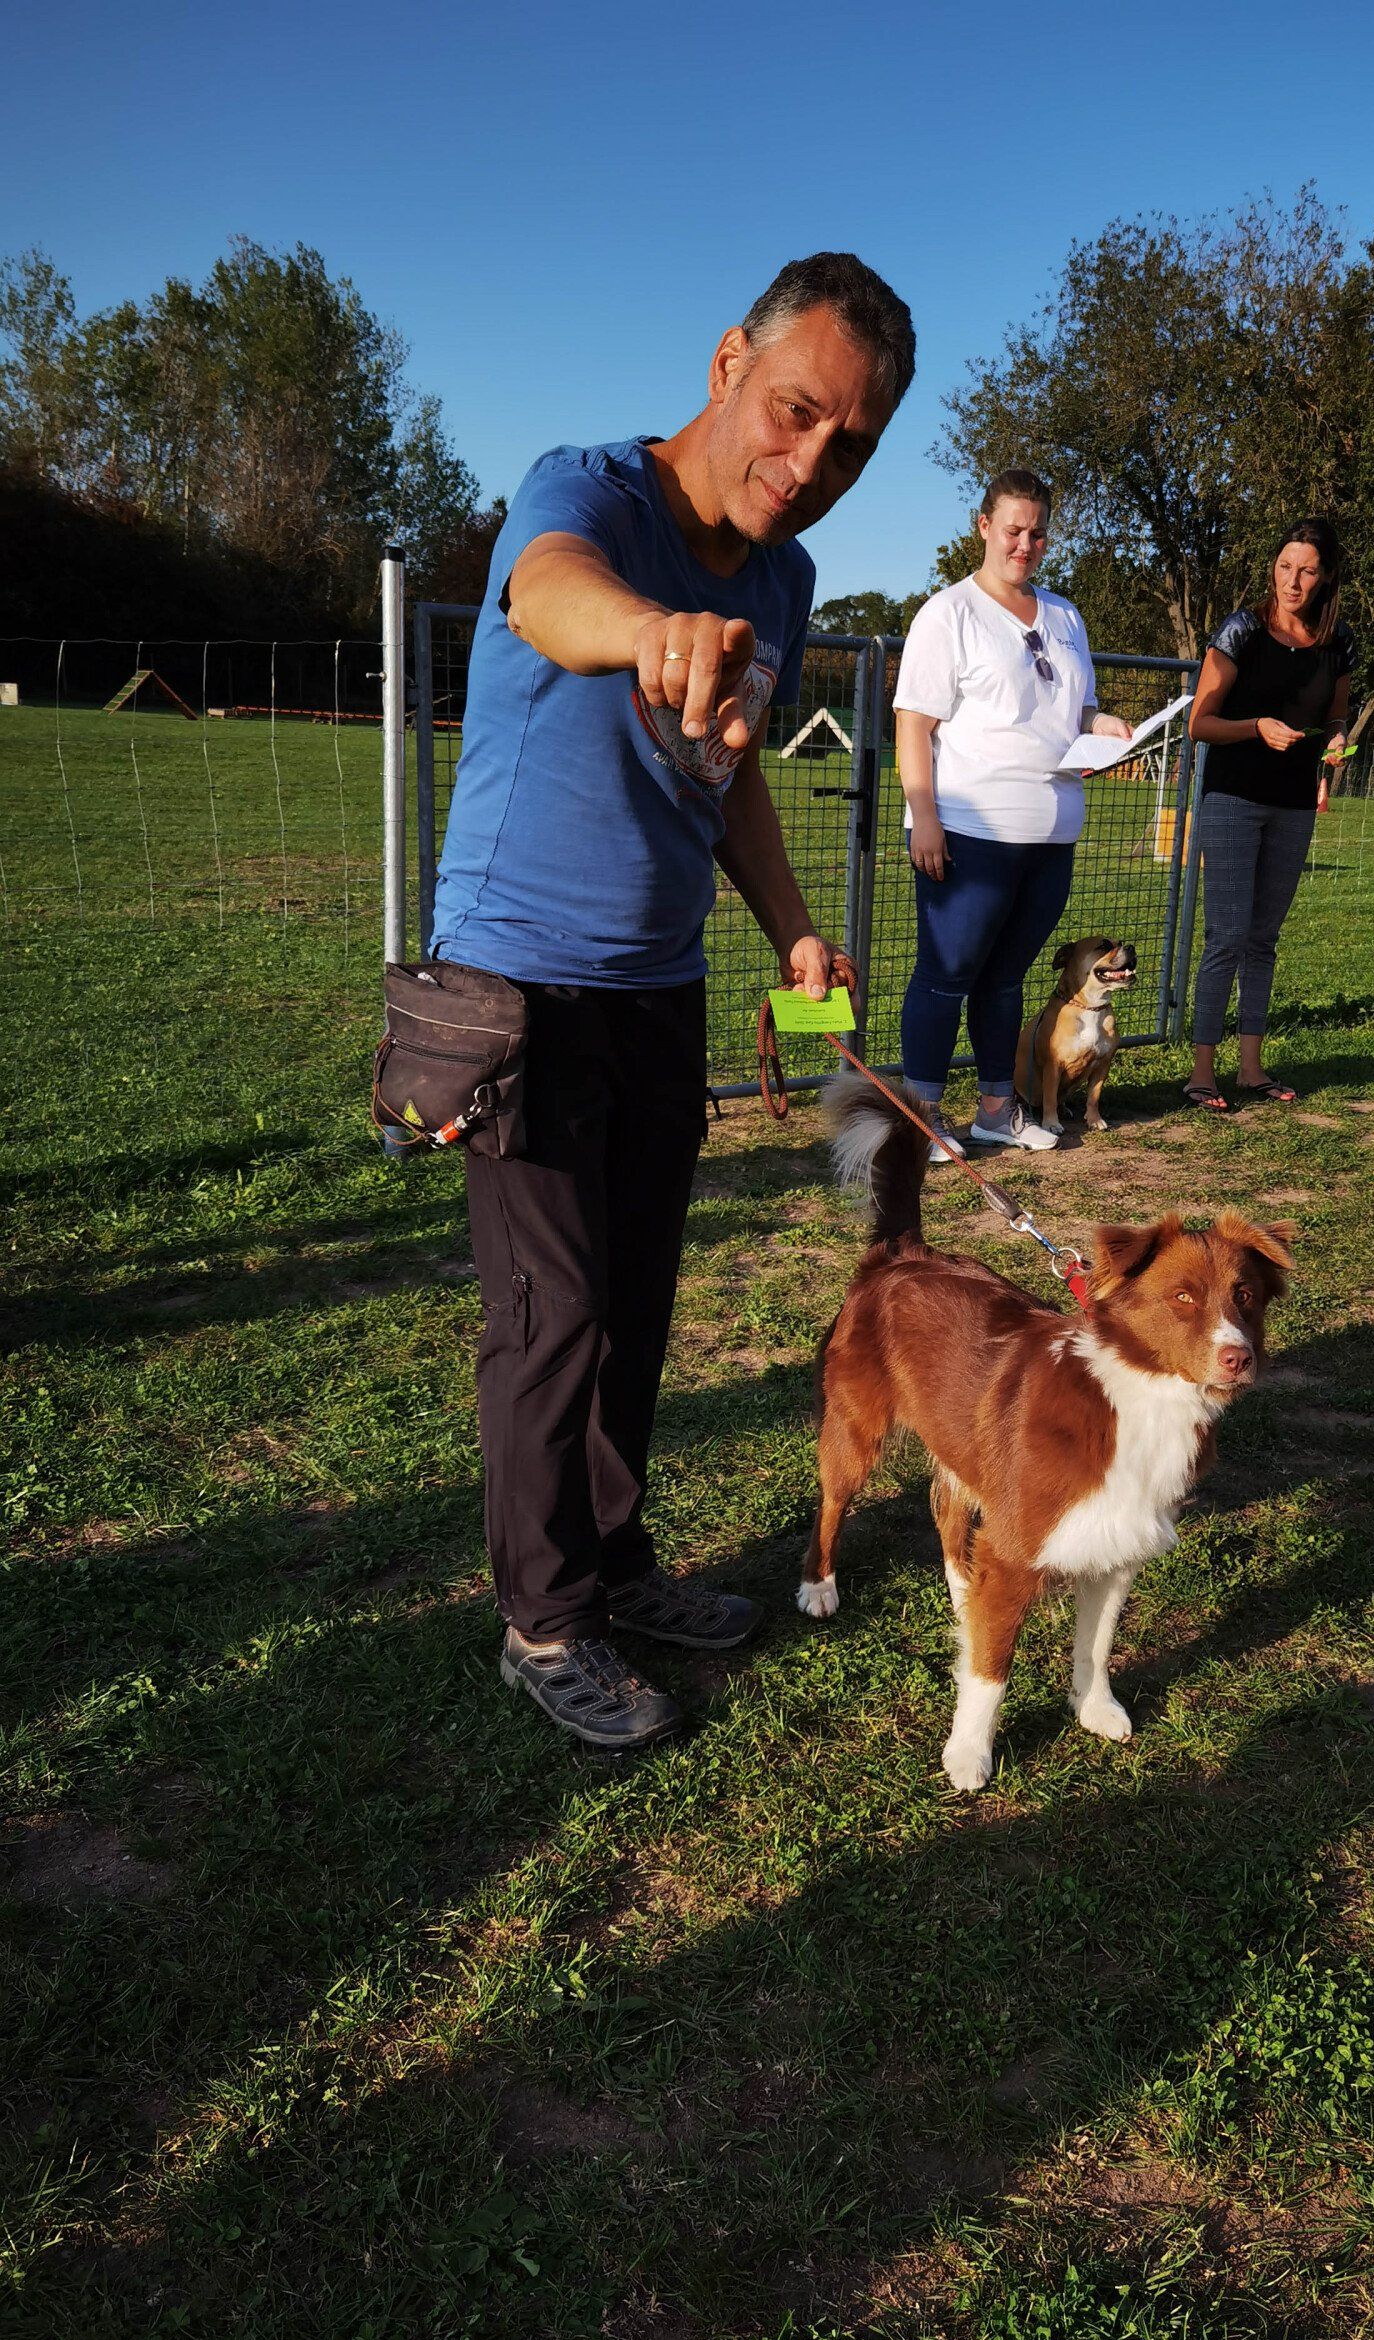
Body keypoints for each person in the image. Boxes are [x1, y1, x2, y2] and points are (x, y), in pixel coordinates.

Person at [429, 253, 914, 1750]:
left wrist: (793, 930)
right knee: (552, 1316)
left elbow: (735, 767)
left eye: (850, 445)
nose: (810, 464)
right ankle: (543, 1620)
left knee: (635, 1302)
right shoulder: (586, 491)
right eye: (795, 411)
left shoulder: (782, 578)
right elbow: (547, 594)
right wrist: (649, 630)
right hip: (519, 980)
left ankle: (615, 1563)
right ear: (726, 365)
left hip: (659, 984)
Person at [892, 468, 1132, 1157]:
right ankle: (923, 1118)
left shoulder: (1065, 616)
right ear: (984, 527)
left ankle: (997, 1111)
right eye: (1013, 530)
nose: (1025, 545)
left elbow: (1075, 710)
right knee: (946, 978)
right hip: (969, 831)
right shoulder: (949, 613)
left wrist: (1104, 723)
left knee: (1004, 980)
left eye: (1038, 533)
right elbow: (913, 724)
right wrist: (924, 815)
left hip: (1051, 835)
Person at [1184, 518, 1356, 1110]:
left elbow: (1336, 714)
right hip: (1232, 799)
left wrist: (1337, 737)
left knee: (1263, 939)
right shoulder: (1241, 631)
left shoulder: (1338, 642)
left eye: (1307, 571)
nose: (1293, 581)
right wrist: (1256, 726)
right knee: (1226, 936)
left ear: (1326, 577)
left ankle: (1251, 1068)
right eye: (1285, 567)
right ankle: (1201, 1072)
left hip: (1293, 805)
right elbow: (1199, 724)